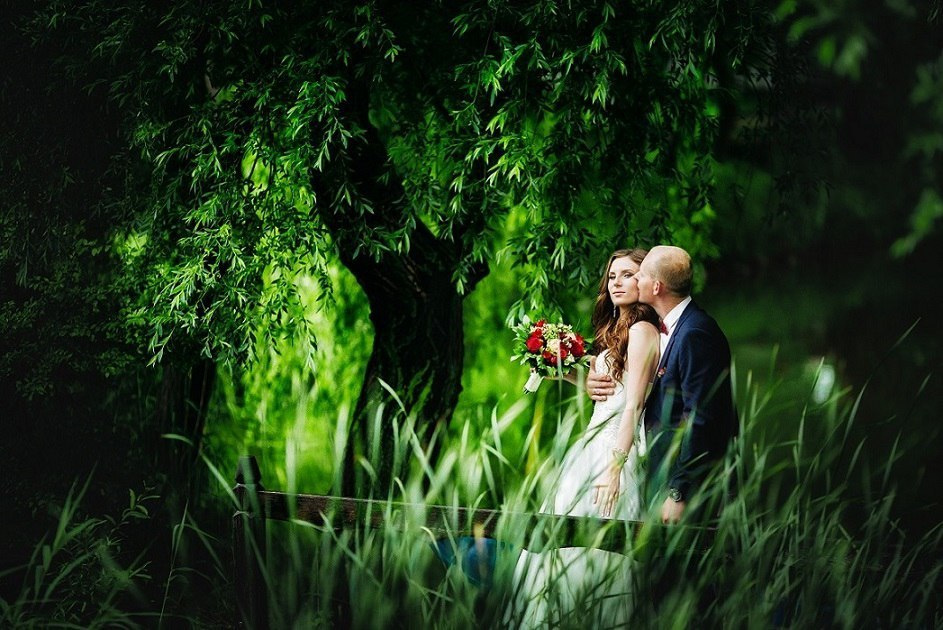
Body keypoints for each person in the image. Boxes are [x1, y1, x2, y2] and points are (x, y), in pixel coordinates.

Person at [510, 248, 660, 626]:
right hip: (589, 448)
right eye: (612, 276)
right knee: (562, 540)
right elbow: (605, 389)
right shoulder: (612, 332)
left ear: (645, 282)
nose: (617, 283)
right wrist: (560, 368)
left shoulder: (642, 330)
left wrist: (615, 467)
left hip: (614, 449)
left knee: (603, 545)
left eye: (628, 275)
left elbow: (633, 405)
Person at [587, 245, 738, 524]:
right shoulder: (668, 326)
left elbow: (700, 418)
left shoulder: (695, 332)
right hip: (662, 472)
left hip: (691, 486)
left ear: (656, 287)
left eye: (639, 275)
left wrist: (679, 492)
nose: (633, 280)